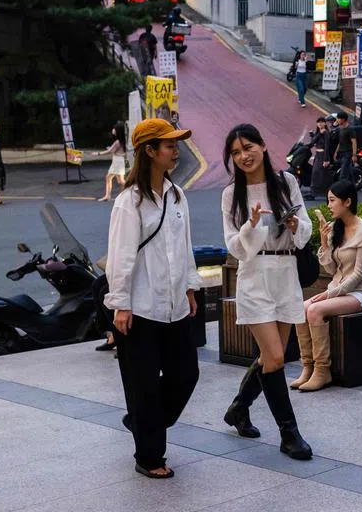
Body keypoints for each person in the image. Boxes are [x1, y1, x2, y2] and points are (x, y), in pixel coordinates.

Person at [104, 118, 201, 479]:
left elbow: (184, 247)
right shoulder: (130, 202)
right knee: (143, 384)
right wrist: (121, 304)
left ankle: (142, 421)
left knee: (186, 375)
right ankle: (149, 456)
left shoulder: (178, 196)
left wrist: (190, 287)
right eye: (169, 145)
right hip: (140, 308)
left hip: (175, 305)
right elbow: (121, 255)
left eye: (176, 144)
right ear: (149, 151)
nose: (176, 151)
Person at [219, 124, 313, 460]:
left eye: (247, 148)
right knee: (274, 358)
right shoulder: (232, 194)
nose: (243, 156)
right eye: (235, 152)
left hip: (286, 273)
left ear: (262, 145)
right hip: (255, 276)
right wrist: (252, 224)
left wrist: (293, 225)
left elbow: (306, 229)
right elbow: (234, 247)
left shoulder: (286, 182)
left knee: (271, 358)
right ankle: (290, 434)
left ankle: (239, 408)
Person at [296, 180, 362, 392]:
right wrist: (324, 242)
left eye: (332, 200)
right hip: (337, 291)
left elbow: (358, 274)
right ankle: (308, 366)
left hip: (358, 295)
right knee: (300, 309)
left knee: (314, 310)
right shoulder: (336, 229)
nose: (329, 205)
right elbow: (332, 270)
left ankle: (323, 371)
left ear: (347, 202)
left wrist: (331, 293)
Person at [100, 123, 129, 202]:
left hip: (118, 161)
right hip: (119, 160)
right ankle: (108, 196)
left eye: (114, 129)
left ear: (118, 131)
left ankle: (134, 189)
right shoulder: (121, 141)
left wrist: (98, 153)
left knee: (119, 181)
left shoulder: (118, 142)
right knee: (111, 178)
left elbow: (109, 151)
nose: (113, 130)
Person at [329, 111, 356, 184]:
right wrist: (336, 152)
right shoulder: (340, 128)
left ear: (343, 119)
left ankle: (341, 191)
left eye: (338, 118)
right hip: (341, 153)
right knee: (349, 172)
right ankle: (353, 187)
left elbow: (354, 142)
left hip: (348, 153)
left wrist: (354, 155)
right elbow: (340, 142)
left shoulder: (350, 129)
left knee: (343, 174)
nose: (337, 120)